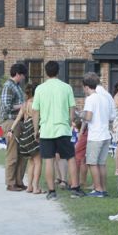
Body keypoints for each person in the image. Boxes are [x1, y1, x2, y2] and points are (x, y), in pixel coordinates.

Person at [32, 61, 85, 200]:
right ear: (58, 72)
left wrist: (35, 129)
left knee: (48, 160)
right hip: (62, 128)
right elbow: (72, 108)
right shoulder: (66, 87)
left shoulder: (40, 89)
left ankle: (51, 191)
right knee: (70, 158)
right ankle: (75, 188)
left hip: (46, 130)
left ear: (46, 72)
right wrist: (70, 121)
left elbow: (35, 111)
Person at [82, 73, 113, 197]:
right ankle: (103, 188)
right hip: (105, 134)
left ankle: (98, 189)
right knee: (101, 163)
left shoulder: (90, 99)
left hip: (95, 135)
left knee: (92, 163)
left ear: (86, 86)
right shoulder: (104, 98)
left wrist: (80, 115)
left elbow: (88, 117)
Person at [0, 62, 28, 192]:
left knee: (22, 153)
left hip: (19, 121)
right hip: (10, 122)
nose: (23, 78)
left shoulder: (17, 86)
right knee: (12, 153)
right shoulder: (8, 86)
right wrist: (23, 106)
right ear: (17, 74)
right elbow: (6, 106)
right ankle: (10, 183)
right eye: (22, 75)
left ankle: (19, 181)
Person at [11, 82, 42, 194]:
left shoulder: (24, 104)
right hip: (32, 131)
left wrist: (11, 130)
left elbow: (18, 118)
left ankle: (29, 186)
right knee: (38, 161)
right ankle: (36, 187)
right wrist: (36, 132)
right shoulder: (35, 103)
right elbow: (35, 118)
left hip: (25, 133)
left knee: (31, 161)